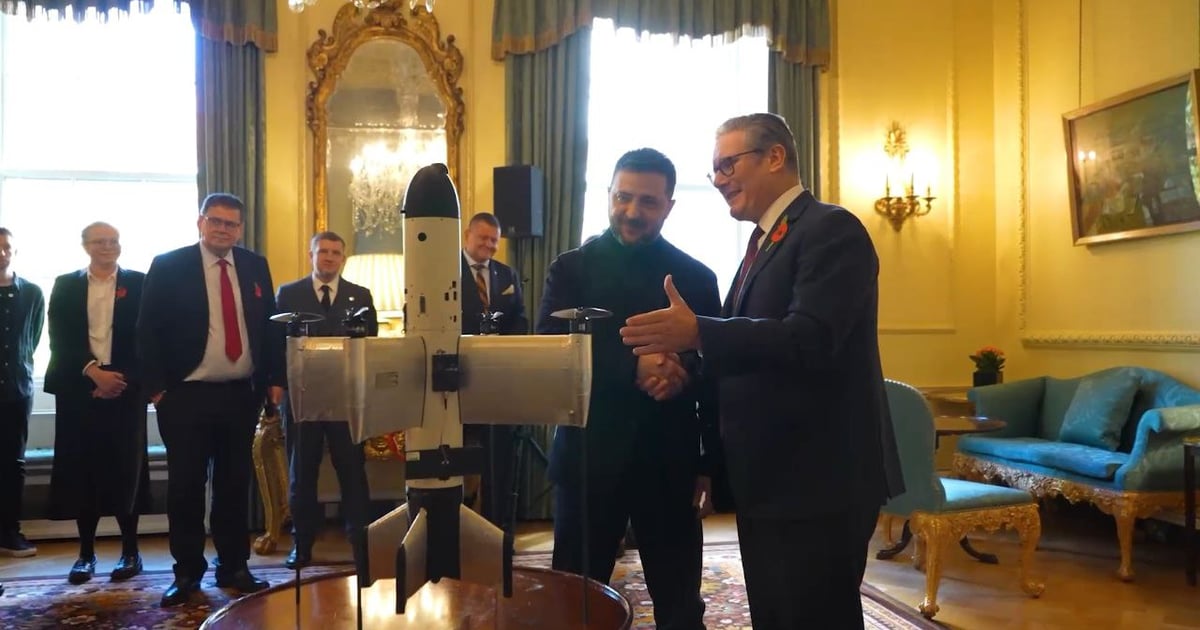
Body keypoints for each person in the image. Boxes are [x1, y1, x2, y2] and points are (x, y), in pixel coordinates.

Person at [619, 113, 905, 629]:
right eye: (714, 170)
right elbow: (745, 353)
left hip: (817, 481)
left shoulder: (830, 230)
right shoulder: (763, 243)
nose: (719, 179)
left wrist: (700, 332)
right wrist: (680, 367)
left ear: (774, 157)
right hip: (771, 481)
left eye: (728, 164)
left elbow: (810, 339)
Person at [539, 148, 721, 630]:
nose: (632, 211)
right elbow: (550, 353)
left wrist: (708, 462)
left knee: (681, 608)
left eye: (648, 201)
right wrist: (635, 368)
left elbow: (716, 375)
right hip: (588, 459)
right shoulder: (569, 270)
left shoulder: (697, 277)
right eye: (623, 197)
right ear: (608, 195)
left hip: (670, 463)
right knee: (574, 606)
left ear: (669, 206)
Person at [137, 193, 285, 607]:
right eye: (215, 221)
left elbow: (271, 327)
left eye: (231, 224)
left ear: (240, 229)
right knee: (186, 487)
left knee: (234, 486)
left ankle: (234, 566)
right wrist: (157, 390)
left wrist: (275, 378)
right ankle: (186, 573)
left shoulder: (255, 266)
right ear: (200, 222)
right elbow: (146, 331)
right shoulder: (169, 265)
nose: (222, 229)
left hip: (240, 395)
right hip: (184, 396)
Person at [44, 222, 150, 584]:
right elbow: (60, 337)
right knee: (82, 469)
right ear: (85, 246)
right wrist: (93, 373)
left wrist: (117, 380)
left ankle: (130, 552)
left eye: (113, 241)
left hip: (125, 388)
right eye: (100, 242)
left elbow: (147, 337)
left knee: (126, 471)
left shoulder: (139, 283)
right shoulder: (66, 284)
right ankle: (85, 555)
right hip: (79, 388)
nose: (108, 247)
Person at [276, 231, 377, 570]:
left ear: (343, 258)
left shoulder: (360, 296)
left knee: (352, 471)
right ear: (311, 255)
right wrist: (276, 385)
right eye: (323, 252)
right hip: (302, 397)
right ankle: (302, 543)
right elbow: (275, 343)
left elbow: (370, 346)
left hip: (346, 399)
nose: (329, 257)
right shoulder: (289, 294)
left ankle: (360, 541)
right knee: (301, 472)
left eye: (336, 252)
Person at [459, 212, 527, 527]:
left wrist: (506, 353)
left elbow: (520, 319)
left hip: (499, 380)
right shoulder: (444, 269)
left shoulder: (506, 274)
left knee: (499, 459)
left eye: (494, 240)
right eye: (483, 238)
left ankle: (497, 529)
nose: (489, 245)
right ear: (467, 236)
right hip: (458, 379)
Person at [0, 227, 44, 561]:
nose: (1, 253)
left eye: (6, 247)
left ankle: (8, 532)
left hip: (16, 390)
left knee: (12, 464)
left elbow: (32, 337)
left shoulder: (31, 292)